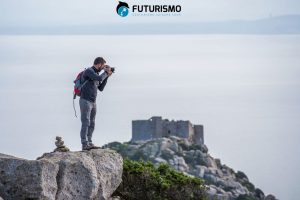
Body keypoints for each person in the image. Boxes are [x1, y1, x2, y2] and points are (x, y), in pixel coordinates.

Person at [79, 57, 113, 150]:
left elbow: (101, 88)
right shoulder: (89, 71)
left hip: (93, 102)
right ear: (99, 64)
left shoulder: (97, 74)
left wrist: (107, 77)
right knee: (86, 122)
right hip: (85, 100)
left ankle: (89, 142)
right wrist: (106, 72)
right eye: (103, 66)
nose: (103, 68)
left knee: (92, 123)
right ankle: (84, 144)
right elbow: (98, 77)